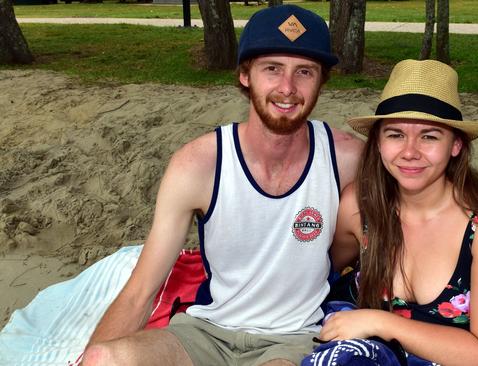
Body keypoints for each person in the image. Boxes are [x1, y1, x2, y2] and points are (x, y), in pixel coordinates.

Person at [81, 5, 363, 366]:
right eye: (272, 69)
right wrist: (89, 356)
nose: (288, 88)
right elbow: (142, 290)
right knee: (105, 359)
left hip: (290, 339)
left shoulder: (347, 159)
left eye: (304, 72)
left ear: (321, 81)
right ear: (246, 75)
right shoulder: (198, 165)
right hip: (205, 332)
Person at [309, 59, 478, 365]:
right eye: (395, 134)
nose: (410, 151)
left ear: (455, 145)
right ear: (376, 143)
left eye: (429, 136)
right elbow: (316, 273)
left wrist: (381, 322)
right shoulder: (361, 207)